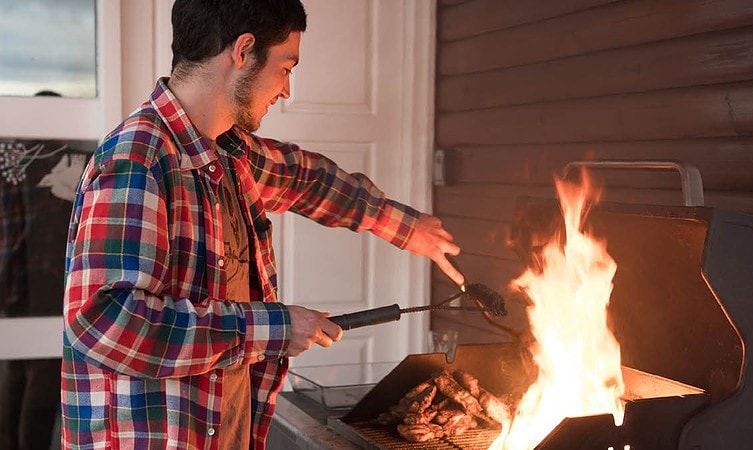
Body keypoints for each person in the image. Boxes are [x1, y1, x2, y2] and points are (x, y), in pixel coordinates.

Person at [61, 0, 463, 448]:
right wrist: (277, 328)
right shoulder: (139, 159)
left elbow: (307, 179)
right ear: (243, 51)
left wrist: (408, 228)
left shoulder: (228, 153)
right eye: (285, 67)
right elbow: (106, 323)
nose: (286, 89)